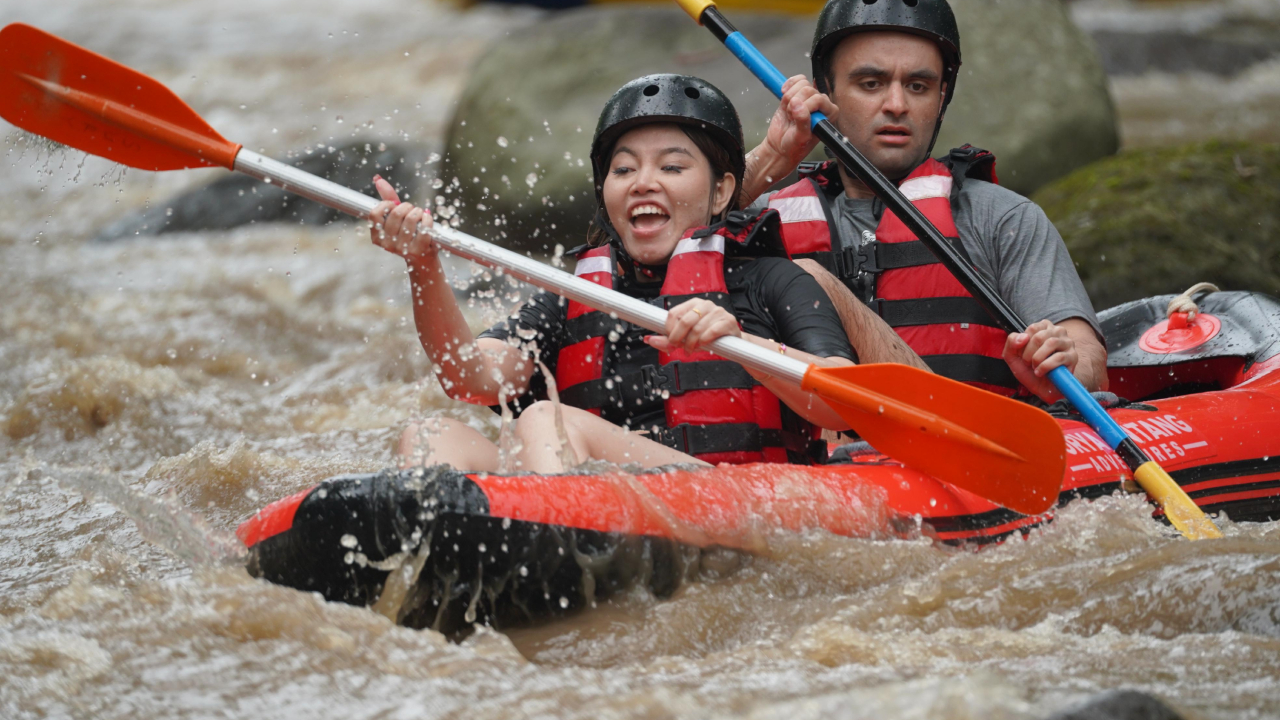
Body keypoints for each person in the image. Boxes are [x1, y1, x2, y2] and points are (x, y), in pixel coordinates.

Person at [369, 74, 856, 474]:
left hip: (733, 501)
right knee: (432, 435)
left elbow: (846, 405)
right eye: (623, 171)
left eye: (671, 166)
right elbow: (468, 376)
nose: (644, 182)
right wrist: (423, 265)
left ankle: (553, 545)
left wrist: (744, 345)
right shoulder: (572, 299)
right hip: (607, 504)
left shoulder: (771, 280)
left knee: (548, 422)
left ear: (723, 190)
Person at [739, 0, 1108, 404]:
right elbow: (673, 254)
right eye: (871, 84)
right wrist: (770, 159)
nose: (897, 104)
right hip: (817, 462)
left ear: (941, 98)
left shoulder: (1001, 218)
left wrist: (1067, 365)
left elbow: (1090, 364)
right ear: (827, 93)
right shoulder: (763, 219)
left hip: (961, 447)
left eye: (918, 86)